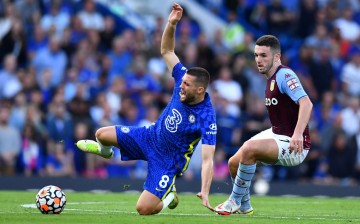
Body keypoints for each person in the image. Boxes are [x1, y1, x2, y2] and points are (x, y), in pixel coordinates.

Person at [76, 3, 217, 215]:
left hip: (167, 161)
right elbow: (167, 50)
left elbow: (208, 159)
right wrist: (171, 24)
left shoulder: (207, 117)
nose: (181, 85)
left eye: (186, 85)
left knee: (143, 209)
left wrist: (205, 191)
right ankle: (105, 153)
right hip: (149, 136)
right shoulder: (182, 77)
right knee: (101, 134)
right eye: (182, 81)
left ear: (200, 90)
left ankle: (168, 193)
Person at [214, 35, 313, 215]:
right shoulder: (269, 78)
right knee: (233, 163)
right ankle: (245, 207)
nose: (258, 60)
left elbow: (306, 103)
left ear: (277, 57)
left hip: (295, 142)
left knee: (249, 149)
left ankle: (234, 200)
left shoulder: (285, 74)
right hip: (277, 134)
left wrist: (298, 134)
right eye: (256, 55)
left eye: (263, 55)